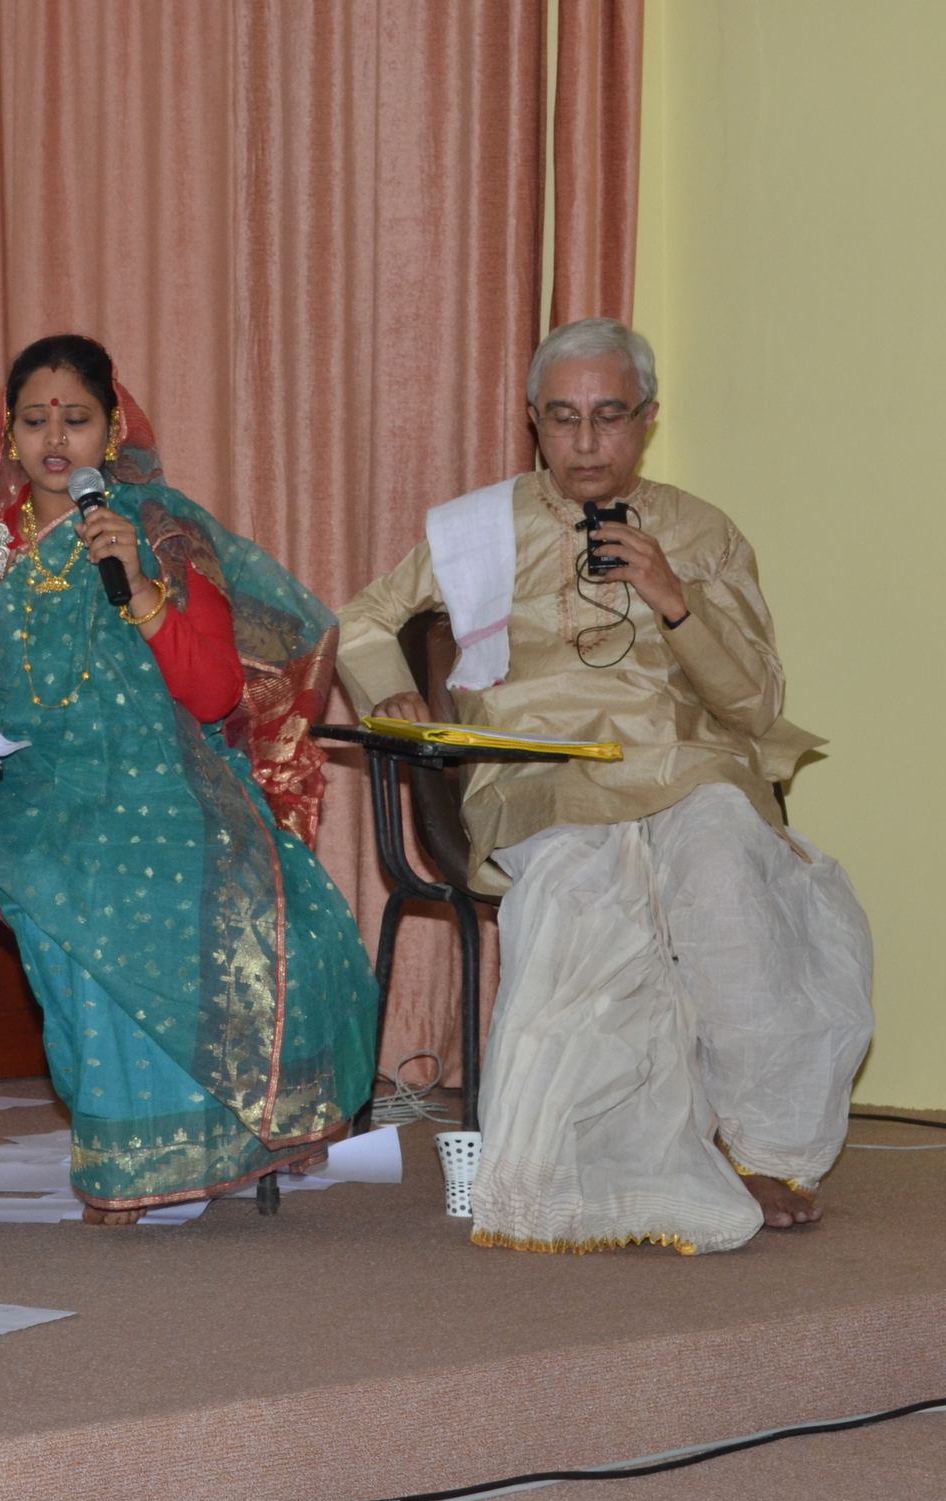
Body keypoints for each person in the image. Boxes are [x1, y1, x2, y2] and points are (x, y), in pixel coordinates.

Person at [0, 334, 378, 1222]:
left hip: (170, 782)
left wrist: (142, 587)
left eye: (75, 418)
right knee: (91, 878)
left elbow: (214, 692)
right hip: (21, 790)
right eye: (35, 421)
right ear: (10, 435)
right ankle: (133, 1158)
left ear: (111, 432)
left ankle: (225, 1137)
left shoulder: (163, 536)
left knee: (254, 886)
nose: (55, 438)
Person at [336, 317, 874, 1256]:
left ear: (648, 420)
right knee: (581, 888)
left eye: (609, 416)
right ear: (534, 422)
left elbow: (754, 704)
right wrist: (391, 694)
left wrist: (674, 599)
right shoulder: (481, 528)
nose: (586, 442)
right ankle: (595, 1163)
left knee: (726, 872)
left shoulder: (701, 532)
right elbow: (364, 621)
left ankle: (766, 1151)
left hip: (681, 761)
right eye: (563, 418)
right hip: (539, 773)